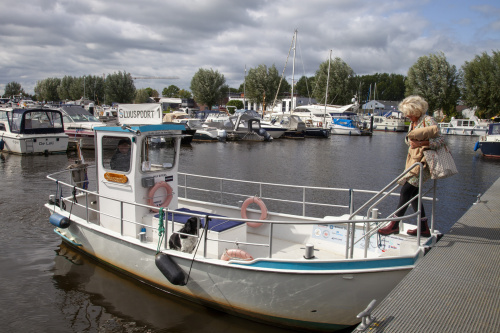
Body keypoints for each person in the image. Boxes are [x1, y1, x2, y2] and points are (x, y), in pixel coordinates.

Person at [378, 96, 445, 237]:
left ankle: (394, 224)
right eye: (405, 113)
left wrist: (421, 144)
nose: (407, 116)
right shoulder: (413, 122)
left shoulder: (428, 120)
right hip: (414, 161)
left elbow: (440, 141)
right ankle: (423, 227)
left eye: (409, 113)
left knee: (405, 191)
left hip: (424, 163)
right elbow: (410, 140)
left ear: (417, 110)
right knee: (414, 195)